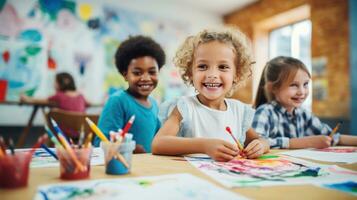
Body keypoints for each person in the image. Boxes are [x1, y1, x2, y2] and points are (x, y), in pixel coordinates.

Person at [152, 27, 270, 162]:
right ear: (191, 73)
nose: (212, 75)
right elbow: (158, 143)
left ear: (236, 74)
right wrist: (204, 146)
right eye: (202, 66)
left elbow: (260, 140)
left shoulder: (239, 111)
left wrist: (261, 145)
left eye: (223, 67)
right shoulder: (185, 107)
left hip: (229, 179)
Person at [252, 56, 357, 149]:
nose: (302, 92)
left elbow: (332, 137)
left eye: (305, 84)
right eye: (293, 85)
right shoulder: (265, 112)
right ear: (273, 87)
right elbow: (256, 143)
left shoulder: (303, 114)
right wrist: (305, 142)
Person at [93, 35, 166, 153]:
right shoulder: (117, 101)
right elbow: (100, 143)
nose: (146, 78)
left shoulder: (154, 104)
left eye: (152, 72)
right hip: (124, 166)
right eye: (137, 73)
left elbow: (158, 140)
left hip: (149, 168)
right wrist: (129, 148)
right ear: (125, 75)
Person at [20, 72, 88, 113]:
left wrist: (26, 98)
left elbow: (40, 101)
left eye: (55, 82)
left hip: (61, 133)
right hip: (80, 132)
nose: (53, 84)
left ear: (60, 84)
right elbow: (89, 103)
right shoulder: (80, 96)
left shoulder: (59, 96)